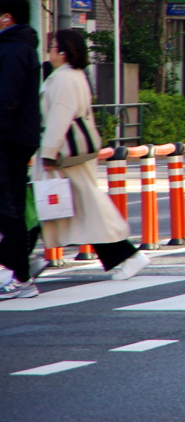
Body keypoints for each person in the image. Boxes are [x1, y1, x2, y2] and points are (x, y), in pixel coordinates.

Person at [34, 29, 150, 281]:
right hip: (69, 155)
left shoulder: (64, 78)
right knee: (78, 209)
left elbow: (59, 117)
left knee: (73, 207)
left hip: (62, 156)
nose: (49, 49)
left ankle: (128, 255)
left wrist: (48, 152)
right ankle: (21, 262)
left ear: (63, 52)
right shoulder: (72, 75)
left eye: (52, 46)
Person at [0, 0, 43, 299]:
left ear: (6, 17)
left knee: (8, 208)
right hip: (17, 139)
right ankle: (22, 272)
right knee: (9, 206)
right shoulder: (19, 47)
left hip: (8, 140)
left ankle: (22, 276)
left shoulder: (14, 50)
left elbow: (7, 100)